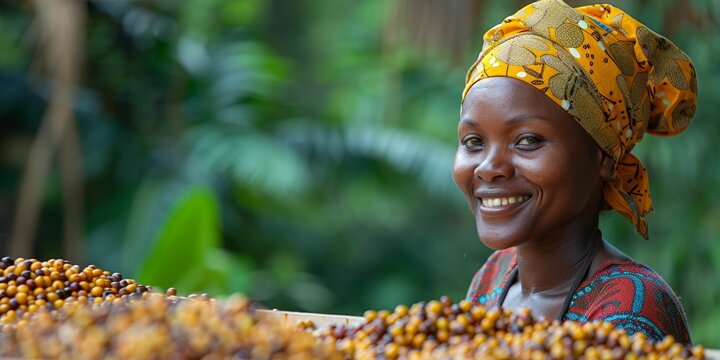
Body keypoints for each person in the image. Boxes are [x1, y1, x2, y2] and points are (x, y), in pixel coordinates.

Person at [452, 0, 697, 344]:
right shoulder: (493, 277)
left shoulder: (631, 309)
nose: (490, 167)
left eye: (528, 140)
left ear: (602, 156)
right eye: (474, 141)